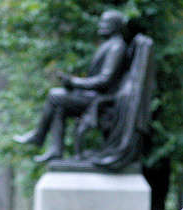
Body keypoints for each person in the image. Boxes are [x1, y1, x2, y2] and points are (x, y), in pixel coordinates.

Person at [13, 10, 128, 163]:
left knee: (55, 96)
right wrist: (72, 83)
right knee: (59, 104)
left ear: (116, 26)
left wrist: (74, 82)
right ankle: (55, 150)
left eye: (105, 23)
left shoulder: (116, 47)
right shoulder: (109, 45)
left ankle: (38, 136)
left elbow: (104, 80)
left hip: (103, 100)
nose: (100, 26)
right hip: (95, 96)